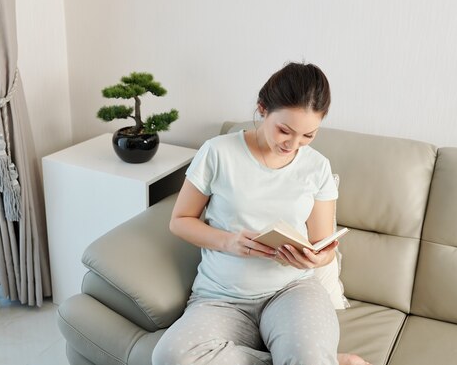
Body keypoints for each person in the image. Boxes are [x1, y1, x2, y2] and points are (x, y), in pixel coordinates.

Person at [152, 62, 370, 365]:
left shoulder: (317, 167)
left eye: (308, 135)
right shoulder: (217, 152)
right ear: (262, 109)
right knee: (169, 357)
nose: (293, 145)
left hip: (292, 291)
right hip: (221, 297)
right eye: (285, 130)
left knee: (307, 358)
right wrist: (229, 242)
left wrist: (316, 257)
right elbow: (180, 221)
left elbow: (323, 246)